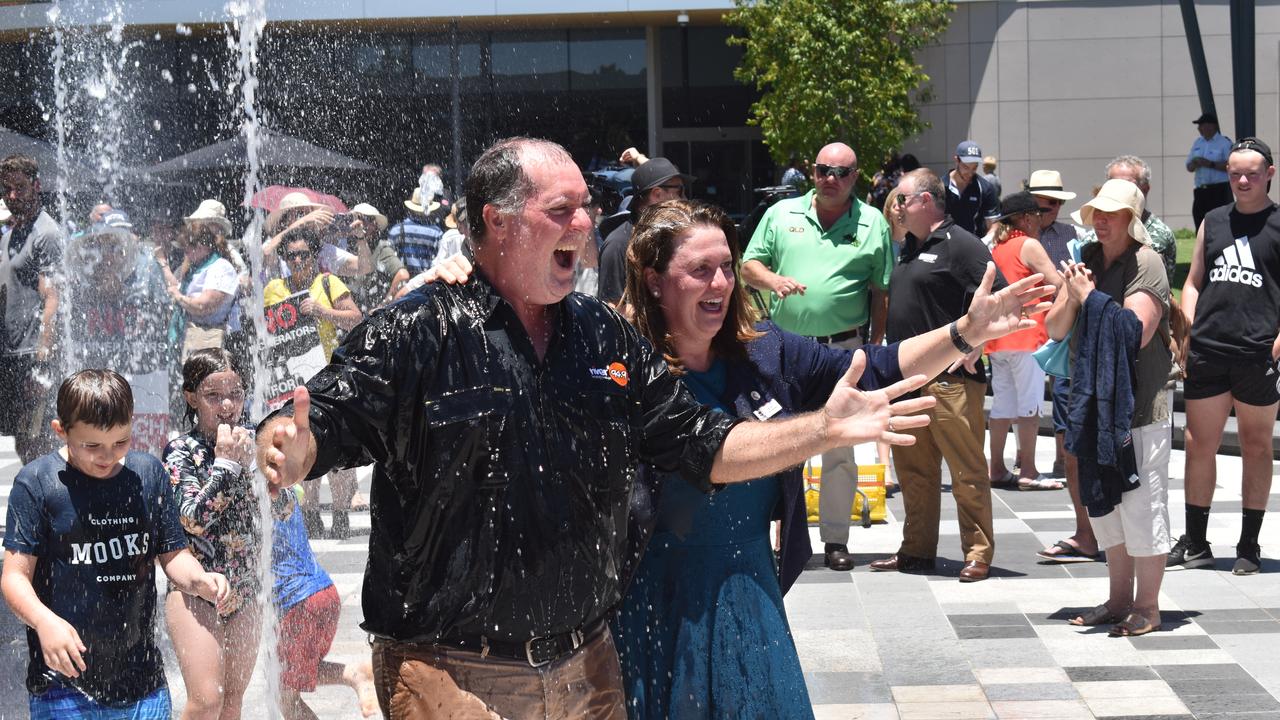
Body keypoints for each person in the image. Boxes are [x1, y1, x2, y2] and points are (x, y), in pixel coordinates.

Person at [255, 136, 937, 719]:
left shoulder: (602, 337)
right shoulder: (420, 329)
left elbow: (704, 443)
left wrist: (822, 430)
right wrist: (290, 441)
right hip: (452, 674)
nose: (585, 222)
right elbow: (328, 416)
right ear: (498, 222)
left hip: (589, 667)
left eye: (586, 205)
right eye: (562, 210)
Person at [609, 199, 1052, 719]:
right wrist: (822, 429)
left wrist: (964, 334)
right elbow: (706, 456)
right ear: (655, 280)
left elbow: (874, 366)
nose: (721, 284)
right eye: (700, 271)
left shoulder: (764, 351)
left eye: (727, 267)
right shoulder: (621, 365)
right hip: (653, 596)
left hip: (748, 591)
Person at [2, 369, 229, 718]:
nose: (107, 456)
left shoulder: (147, 475)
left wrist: (199, 580)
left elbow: (173, 554)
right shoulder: (37, 484)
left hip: (141, 682)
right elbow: (14, 577)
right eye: (91, 446)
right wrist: (44, 621)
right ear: (61, 431)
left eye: (120, 442)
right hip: (62, 682)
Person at [741, 142, 894, 572]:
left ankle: (835, 538)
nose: (832, 179)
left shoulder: (872, 222)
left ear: (855, 177)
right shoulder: (780, 214)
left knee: (840, 448)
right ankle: (782, 535)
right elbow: (748, 266)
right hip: (784, 349)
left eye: (842, 173)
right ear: (812, 171)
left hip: (842, 351)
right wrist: (773, 280)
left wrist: (875, 346)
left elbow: (881, 291)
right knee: (779, 443)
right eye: (825, 170)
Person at [1046, 179, 1172, 637]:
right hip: (1093, 404)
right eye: (1096, 212)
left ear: (1131, 221)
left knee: (1142, 505)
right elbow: (1055, 328)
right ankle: (1119, 600)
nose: (1100, 220)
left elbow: (1133, 331)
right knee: (1105, 507)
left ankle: (1149, 606)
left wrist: (1088, 298)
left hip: (1139, 407)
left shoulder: (1148, 262)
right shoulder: (1086, 262)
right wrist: (1073, 294)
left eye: (1111, 214)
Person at [870, 168, 1006, 583]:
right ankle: (916, 550)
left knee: (966, 470)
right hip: (907, 379)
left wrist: (976, 346)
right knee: (914, 471)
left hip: (951, 382)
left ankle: (978, 553)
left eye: (903, 200)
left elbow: (998, 299)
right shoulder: (908, 248)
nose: (896, 206)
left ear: (926, 202)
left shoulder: (962, 245)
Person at [1173, 138, 1280, 576]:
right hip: (1210, 349)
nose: (1242, 180)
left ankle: (1249, 544)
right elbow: (1194, 280)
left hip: (1258, 353)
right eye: (1235, 172)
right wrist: (1188, 325)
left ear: (1269, 174)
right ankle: (1197, 541)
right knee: (1200, 444)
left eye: (1252, 173)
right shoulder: (1214, 221)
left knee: (1256, 446)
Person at [164, 349, 284, 719]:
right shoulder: (181, 450)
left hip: (246, 590)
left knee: (232, 703)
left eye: (235, 392)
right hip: (196, 591)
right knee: (205, 702)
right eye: (213, 395)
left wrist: (274, 474)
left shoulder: (254, 444)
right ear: (192, 398)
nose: (227, 404)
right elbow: (192, 520)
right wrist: (228, 466)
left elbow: (283, 512)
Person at [264, 234, 363, 539]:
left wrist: (322, 312)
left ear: (313, 257)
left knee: (340, 448)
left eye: (303, 255)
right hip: (294, 382)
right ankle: (310, 513)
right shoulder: (274, 289)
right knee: (304, 445)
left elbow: (356, 319)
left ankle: (341, 513)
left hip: (331, 374)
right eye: (291, 256)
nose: (297, 261)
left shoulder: (328, 283)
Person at [64, 210, 173, 457]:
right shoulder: (84, 283)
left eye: (113, 248)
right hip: (100, 374)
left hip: (143, 374)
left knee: (145, 451)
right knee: (101, 444)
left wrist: (123, 293)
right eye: (100, 249)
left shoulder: (146, 272)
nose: (107, 256)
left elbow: (163, 313)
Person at [272, 485, 379, 719]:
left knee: (283, 693)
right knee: (293, 675)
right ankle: (352, 673)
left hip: (298, 603)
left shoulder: (250, 486)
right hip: (323, 592)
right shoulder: (282, 484)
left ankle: (354, 675)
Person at [985, 192, 1064, 491]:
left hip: (999, 337)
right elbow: (1056, 282)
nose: (1040, 222)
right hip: (1029, 333)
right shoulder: (1028, 244)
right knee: (1030, 405)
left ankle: (996, 467)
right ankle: (1028, 470)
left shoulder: (999, 248)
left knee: (1002, 404)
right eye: (1037, 216)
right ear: (1027, 218)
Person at [0, 154, 62, 464]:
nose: (12, 196)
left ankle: (49, 509)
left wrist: (42, 360)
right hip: (11, 353)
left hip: (32, 356)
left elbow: (53, 297)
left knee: (39, 443)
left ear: (36, 186)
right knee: (23, 443)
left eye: (20, 188)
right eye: (6, 189)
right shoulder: (10, 236)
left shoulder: (46, 233)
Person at [1028, 169, 1079, 482]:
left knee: (1063, 390)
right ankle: (1026, 459)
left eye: (1058, 204)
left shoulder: (1069, 234)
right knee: (1026, 396)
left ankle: (1064, 457)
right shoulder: (1018, 235)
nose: (1055, 209)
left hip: (1061, 323)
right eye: (1048, 204)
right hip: (1027, 324)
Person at [597, 156, 693, 303]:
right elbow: (612, 309)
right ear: (657, 194)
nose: (685, 199)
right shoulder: (618, 244)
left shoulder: (675, 237)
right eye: (680, 191)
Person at [1081, 157, 1178, 282]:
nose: (1118, 189)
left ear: (1145, 189)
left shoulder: (1159, 238)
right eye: (1113, 183)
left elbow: (1162, 293)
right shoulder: (1089, 242)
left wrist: (1091, 295)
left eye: (1128, 185)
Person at [160, 212, 242, 360]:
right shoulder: (195, 269)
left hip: (212, 340)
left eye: (187, 247)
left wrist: (179, 297)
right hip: (193, 339)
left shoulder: (220, 267)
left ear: (201, 247)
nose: (184, 252)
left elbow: (204, 306)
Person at [264, 193, 371, 280]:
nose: (307, 218)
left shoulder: (322, 251)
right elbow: (266, 252)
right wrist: (301, 222)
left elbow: (364, 268)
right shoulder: (275, 246)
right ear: (284, 221)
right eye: (300, 214)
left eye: (309, 214)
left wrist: (361, 238)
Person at [343, 203, 408, 314]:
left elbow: (402, 276)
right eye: (358, 218)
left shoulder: (381, 249)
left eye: (367, 219)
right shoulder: (347, 246)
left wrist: (384, 304)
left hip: (371, 315)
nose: (362, 223)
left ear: (375, 225)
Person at [1187, 112, 1234, 232]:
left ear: (1211, 126)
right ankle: (1203, 249)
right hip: (1201, 191)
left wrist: (1210, 164)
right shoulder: (1198, 143)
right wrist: (1194, 163)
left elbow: (1232, 166)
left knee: (1221, 225)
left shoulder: (1224, 143)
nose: (1199, 128)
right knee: (1200, 224)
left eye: (1201, 125)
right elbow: (1189, 167)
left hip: (1220, 191)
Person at [946, 141, 1001, 237]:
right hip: (946, 246)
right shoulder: (941, 186)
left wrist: (986, 242)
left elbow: (994, 224)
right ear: (956, 160)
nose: (970, 173)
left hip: (975, 244)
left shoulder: (986, 188)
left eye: (974, 168)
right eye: (966, 167)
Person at [389, 187, 446, 275]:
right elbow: (439, 261)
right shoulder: (437, 233)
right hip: (425, 283)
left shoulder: (396, 230)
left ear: (410, 208)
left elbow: (389, 258)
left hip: (403, 282)